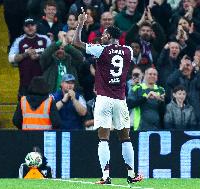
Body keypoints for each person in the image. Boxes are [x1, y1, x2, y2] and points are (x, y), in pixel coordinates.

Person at [73, 8, 143, 184]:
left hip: (103, 98)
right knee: (125, 137)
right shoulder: (128, 51)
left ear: (110, 36)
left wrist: (81, 23)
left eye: (104, 34)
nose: (102, 36)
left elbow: (76, 42)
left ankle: (105, 176)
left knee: (103, 137)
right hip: (120, 99)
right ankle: (132, 174)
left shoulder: (101, 50)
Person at [8, 17, 51, 98]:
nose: (30, 28)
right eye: (27, 26)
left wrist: (40, 56)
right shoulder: (19, 41)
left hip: (43, 81)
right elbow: (10, 58)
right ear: (24, 28)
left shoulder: (45, 39)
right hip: (25, 82)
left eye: (32, 25)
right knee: (24, 109)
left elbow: (52, 55)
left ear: (36, 26)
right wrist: (25, 54)